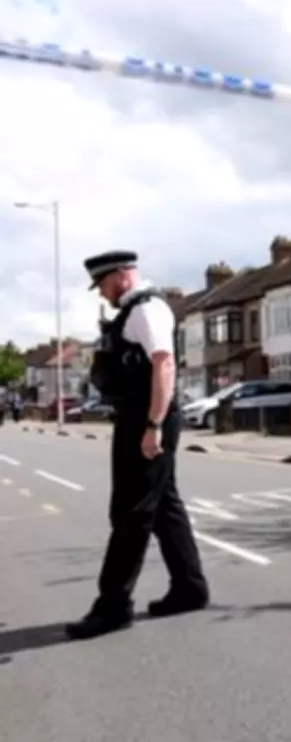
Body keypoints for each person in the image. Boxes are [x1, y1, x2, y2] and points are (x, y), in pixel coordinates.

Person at [65, 250, 209, 640]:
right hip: (138, 418)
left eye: (104, 284)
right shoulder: (133, 310)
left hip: (147, 421)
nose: (102, 293)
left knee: (131, 513)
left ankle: (112, 607)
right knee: (164, 506)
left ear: (122, 276)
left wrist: (154, 425)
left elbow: (164, 364)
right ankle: (190, 587)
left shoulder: (146, 310)